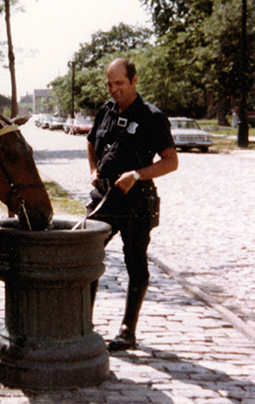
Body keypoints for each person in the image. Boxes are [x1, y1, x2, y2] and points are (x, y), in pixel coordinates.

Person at [86, 58, 178, 351]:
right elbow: (91, 142)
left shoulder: (152, 116)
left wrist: (137, 175)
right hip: (102, 202)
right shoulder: (105, 110)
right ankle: (82, 323)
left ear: (134, 80)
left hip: (136, 203)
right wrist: (93, 170)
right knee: (85, 257)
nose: (114, 90)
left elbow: (171, 162)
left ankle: (128, 329)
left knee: (135, 263)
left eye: (120, 84)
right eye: (110, 84)